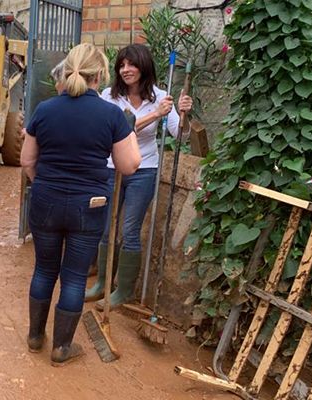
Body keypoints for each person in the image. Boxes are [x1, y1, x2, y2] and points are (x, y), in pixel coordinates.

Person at [20, 43, 141, 365]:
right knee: (73, 277)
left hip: (45, 200)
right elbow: (129, 165)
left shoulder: (44, 109)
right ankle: (62, 348)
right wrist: (127, 132)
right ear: (99, 75)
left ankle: (35, 337)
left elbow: (27, 161)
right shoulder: (112, 114)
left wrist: (46, 185)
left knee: (44, 268)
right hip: (89, 205)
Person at [84, 44, 193, 310]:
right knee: (106, 228)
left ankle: (123, 291)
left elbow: (181, 134)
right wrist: (156, 115)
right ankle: (102, 284)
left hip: (144, 170)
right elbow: (119, 129)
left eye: (131, 64)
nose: (126, 70)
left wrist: (184, 113)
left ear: (143, 67)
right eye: (121, 65)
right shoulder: (109, 97)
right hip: (111, 168)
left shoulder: (161, 97)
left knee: (130, 230)